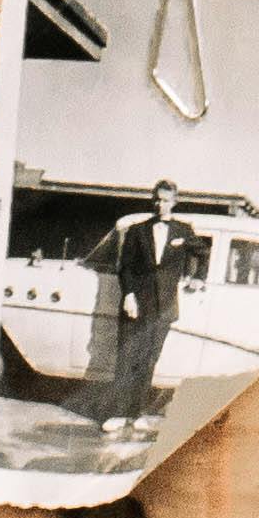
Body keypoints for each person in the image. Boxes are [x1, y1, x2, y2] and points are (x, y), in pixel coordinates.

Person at [91, 184, 192, 448]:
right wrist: (129, 295)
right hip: (137, 305)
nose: (161, 205)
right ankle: (116, 413)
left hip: (164, 308)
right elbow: (125, 267)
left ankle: (136, 414)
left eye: (167, 201)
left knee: (149, 361)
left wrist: (195, 277)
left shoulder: (184, 231)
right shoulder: (138, 231)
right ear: (153, 201)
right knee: (127, 358)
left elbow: (199, 253)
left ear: (175, 202)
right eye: (157, 200)